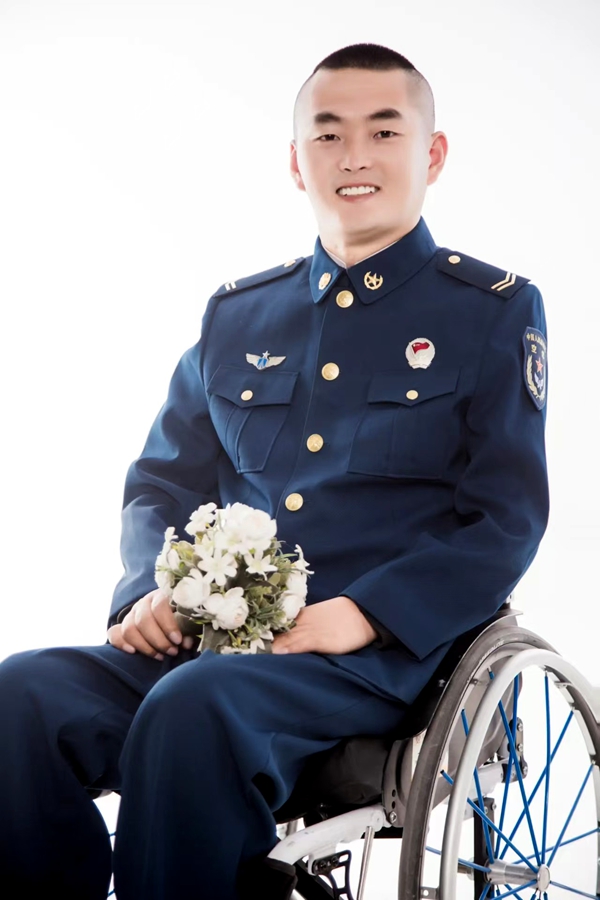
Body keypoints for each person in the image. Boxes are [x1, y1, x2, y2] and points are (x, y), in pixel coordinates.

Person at [0, 41, 549, 900]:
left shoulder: (489, 312)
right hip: (215, 642)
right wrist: (146, 593)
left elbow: (506, 519)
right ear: (297, 162)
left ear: (432, 154)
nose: (354, 156)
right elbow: (161, 482)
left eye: (384, 132)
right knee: (21, 694)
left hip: (378, 662)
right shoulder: (240, 314)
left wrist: (363, 616)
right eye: (328, 135)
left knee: (194, 708)